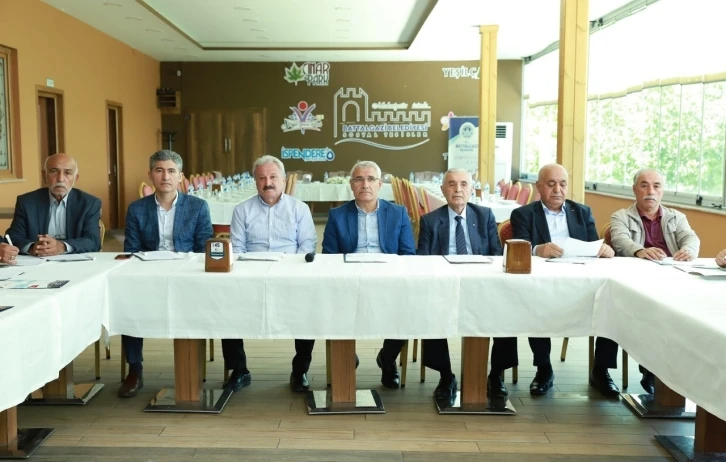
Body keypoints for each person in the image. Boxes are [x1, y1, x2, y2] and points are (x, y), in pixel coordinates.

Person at [510, 163, 619, 398]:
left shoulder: (582, 212)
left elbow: (594, 245)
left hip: (581, 280)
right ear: (539, 186)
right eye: (551, 184)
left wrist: (604, 249)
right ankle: (544, 369)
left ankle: (601, 370)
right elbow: (519, 247)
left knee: (610, 300)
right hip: (543, 281)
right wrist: (538, 249)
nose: (557, 190)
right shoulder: (523, 214)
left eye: (562, 184)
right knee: (535, 300)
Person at [120, 150, 213, 398]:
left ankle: (190, 369)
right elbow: (131, 249)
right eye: (159, 170)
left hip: (186, 276)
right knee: (128, 301)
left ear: (181, 176)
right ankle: (135, 369)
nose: (165, 176)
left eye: (172, 171)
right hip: (148, 276)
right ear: (150, 175)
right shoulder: (137, 209)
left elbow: (203, 248)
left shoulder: (197, 207)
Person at [417, 168, 513, 402]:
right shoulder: (430, 220)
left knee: (506, 311)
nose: (457, 189)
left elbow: (496, 255)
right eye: (451, 184)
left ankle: (496, 376)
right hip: (444, 284)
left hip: (481, 283)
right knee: (431, 309)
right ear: (443, 190)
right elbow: (422, 260)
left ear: (471, 189)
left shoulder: (485, 216)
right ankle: (446, 376)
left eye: (463, 184)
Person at [223, 155, 317, 393]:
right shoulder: (242, 210)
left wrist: (290, 272)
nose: (268, 183)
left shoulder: (299, 209)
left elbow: (307, 246)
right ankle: (239, 370)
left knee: (309, 310)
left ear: (283, 180)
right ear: (255, 182)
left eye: (273, 177)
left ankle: (300, 371)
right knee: (226, 305)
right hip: (251, 275)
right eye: (262, 178)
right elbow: (238, 249)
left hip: (290, 275)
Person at [322, 160, 415, 389]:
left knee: (409, 306)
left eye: (371, 179)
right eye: (359, 179)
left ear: (380, 184)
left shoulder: (398, 213)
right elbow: (329, 257)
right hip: (349, 279)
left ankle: (388, 359)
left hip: (389, 278)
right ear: (351, 185)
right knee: (332, 302)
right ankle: (346, 356)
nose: (365, 184)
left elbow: (408, 254)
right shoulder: (337, 215)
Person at [610, 167, 700, 393]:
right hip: (633, 283)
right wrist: (640, 250)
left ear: (662, 190)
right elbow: (620, 240)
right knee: (629, 310)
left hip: (670, 282)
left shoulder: (676, 217)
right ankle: (649, 372)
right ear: (635, 190)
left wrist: (688, 250)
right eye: (644, 185)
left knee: (681, 316)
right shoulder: (621, 216)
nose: (650, 191)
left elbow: (691, 238)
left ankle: (669, 374)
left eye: (656, 186)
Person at [6, 153, 101, 256]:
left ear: (76, 178)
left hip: (75, 261)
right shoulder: (27, 202)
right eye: (54, 171)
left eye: (67, 173)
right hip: (38, 260)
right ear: (44, 175)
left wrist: (62, 247)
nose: (60, 179)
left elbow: (93, 241)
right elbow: (13, 236)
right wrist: (32, 247)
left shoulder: (89, 203)